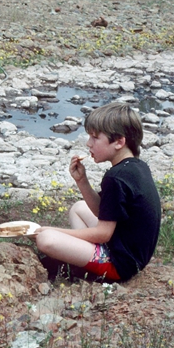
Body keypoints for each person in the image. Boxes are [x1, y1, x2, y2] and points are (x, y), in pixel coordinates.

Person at [35, 102, 161, 282]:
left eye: (95, 137)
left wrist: (54, 230)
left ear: (119, 141)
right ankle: (84, 257)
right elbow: (104, 212)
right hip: (131, 253)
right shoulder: (135, 167)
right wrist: (82, 181)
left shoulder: (115, 178)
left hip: (120, 265)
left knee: (46, 239)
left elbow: (103, 234)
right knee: (78, 207)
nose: (88, 144)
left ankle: (88, 265)